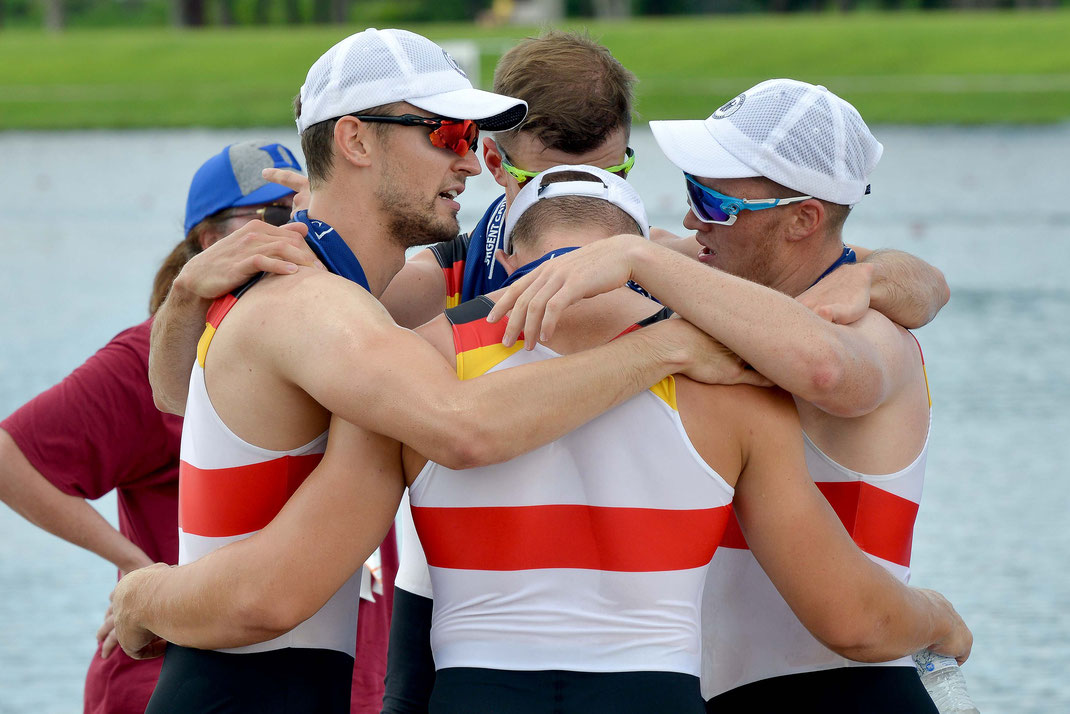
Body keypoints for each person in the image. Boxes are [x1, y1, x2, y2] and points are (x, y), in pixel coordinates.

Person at [118, 166, 971, 714]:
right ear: (632, 250)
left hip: (474, 696)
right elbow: (849, 618)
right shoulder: (730, 379)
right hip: (654, 698)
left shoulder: (416, 374)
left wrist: (150, 594)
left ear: (512, 256)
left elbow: (285, 580)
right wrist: (936, 616)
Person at [110, 28, 737, 714]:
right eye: (447, 135)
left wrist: (181, 299)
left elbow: (176, 397)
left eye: (472, 138)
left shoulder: (307, 284)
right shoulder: (316, 307)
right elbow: (463, 429)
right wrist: (665, 347)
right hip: (247, 684)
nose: (469, 163)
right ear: (354, 141)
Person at [490, 79, 953, 712]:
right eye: (689, 190)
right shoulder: (715, 279)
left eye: (712, 201)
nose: (687, 220)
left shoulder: (871, 329)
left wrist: (641, 260)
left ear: (803, 219)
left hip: (849, 690)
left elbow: (827, 373)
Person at [0, 139, 396, 714]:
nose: (297, 232)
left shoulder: (348, 335)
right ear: (211, 242)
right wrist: (138, 568)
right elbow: (11, 455)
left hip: (328, 670)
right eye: (274, 217)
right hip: (174, 675)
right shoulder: (153, 355)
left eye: (305, 212)